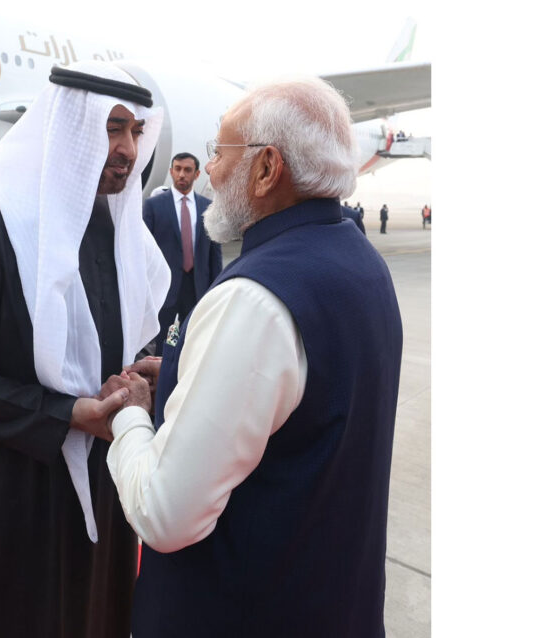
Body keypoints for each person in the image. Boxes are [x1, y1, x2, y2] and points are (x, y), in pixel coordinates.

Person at [101, 76, 403, 637]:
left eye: (220, 152)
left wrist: (132, 414)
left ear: (266, 169)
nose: (210, 172)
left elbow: (165, 514)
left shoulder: (253, 298)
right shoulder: (362, 262)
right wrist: (190, 376)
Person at [0, 61, 170, 638]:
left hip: (105, 490)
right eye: (112, 128)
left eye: (135, 131)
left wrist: (146, 377)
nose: (128, 149)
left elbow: (135, 335)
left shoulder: (124, 236)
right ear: (69, 129)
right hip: (13, 499)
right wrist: (67, 414)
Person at [142, 152, 223, 354]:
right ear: (171, 172)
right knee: (163, 343)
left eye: (187, 170)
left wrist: (215, 288)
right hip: (165, 288)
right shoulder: (153, 206)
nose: (181, 174)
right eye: (177, 169)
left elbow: (214, 253)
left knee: (193, 340)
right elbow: (144, 252)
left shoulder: (207, 208)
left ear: (197, 174)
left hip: (196, 287)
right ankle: (163, 370)